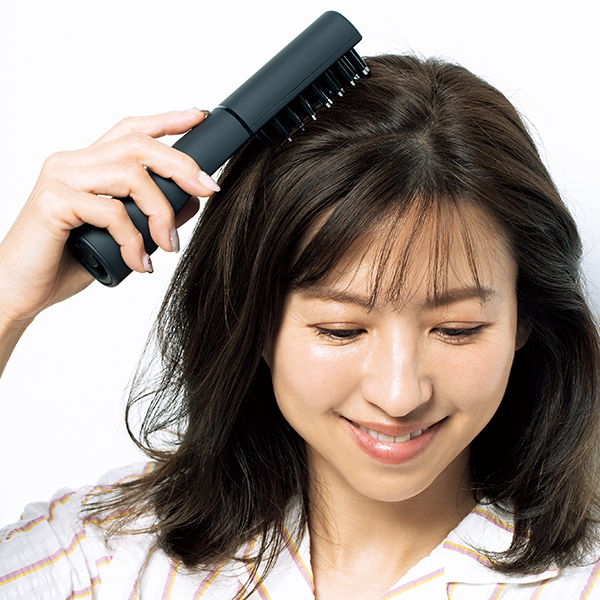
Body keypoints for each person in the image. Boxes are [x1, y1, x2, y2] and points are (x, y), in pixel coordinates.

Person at [1, 54, 599, 600]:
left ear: (524, 318)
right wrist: (7, 301)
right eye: (341, 330)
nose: (399, 395)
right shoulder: (114, 555)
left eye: (458, 329)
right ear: (256, 321)